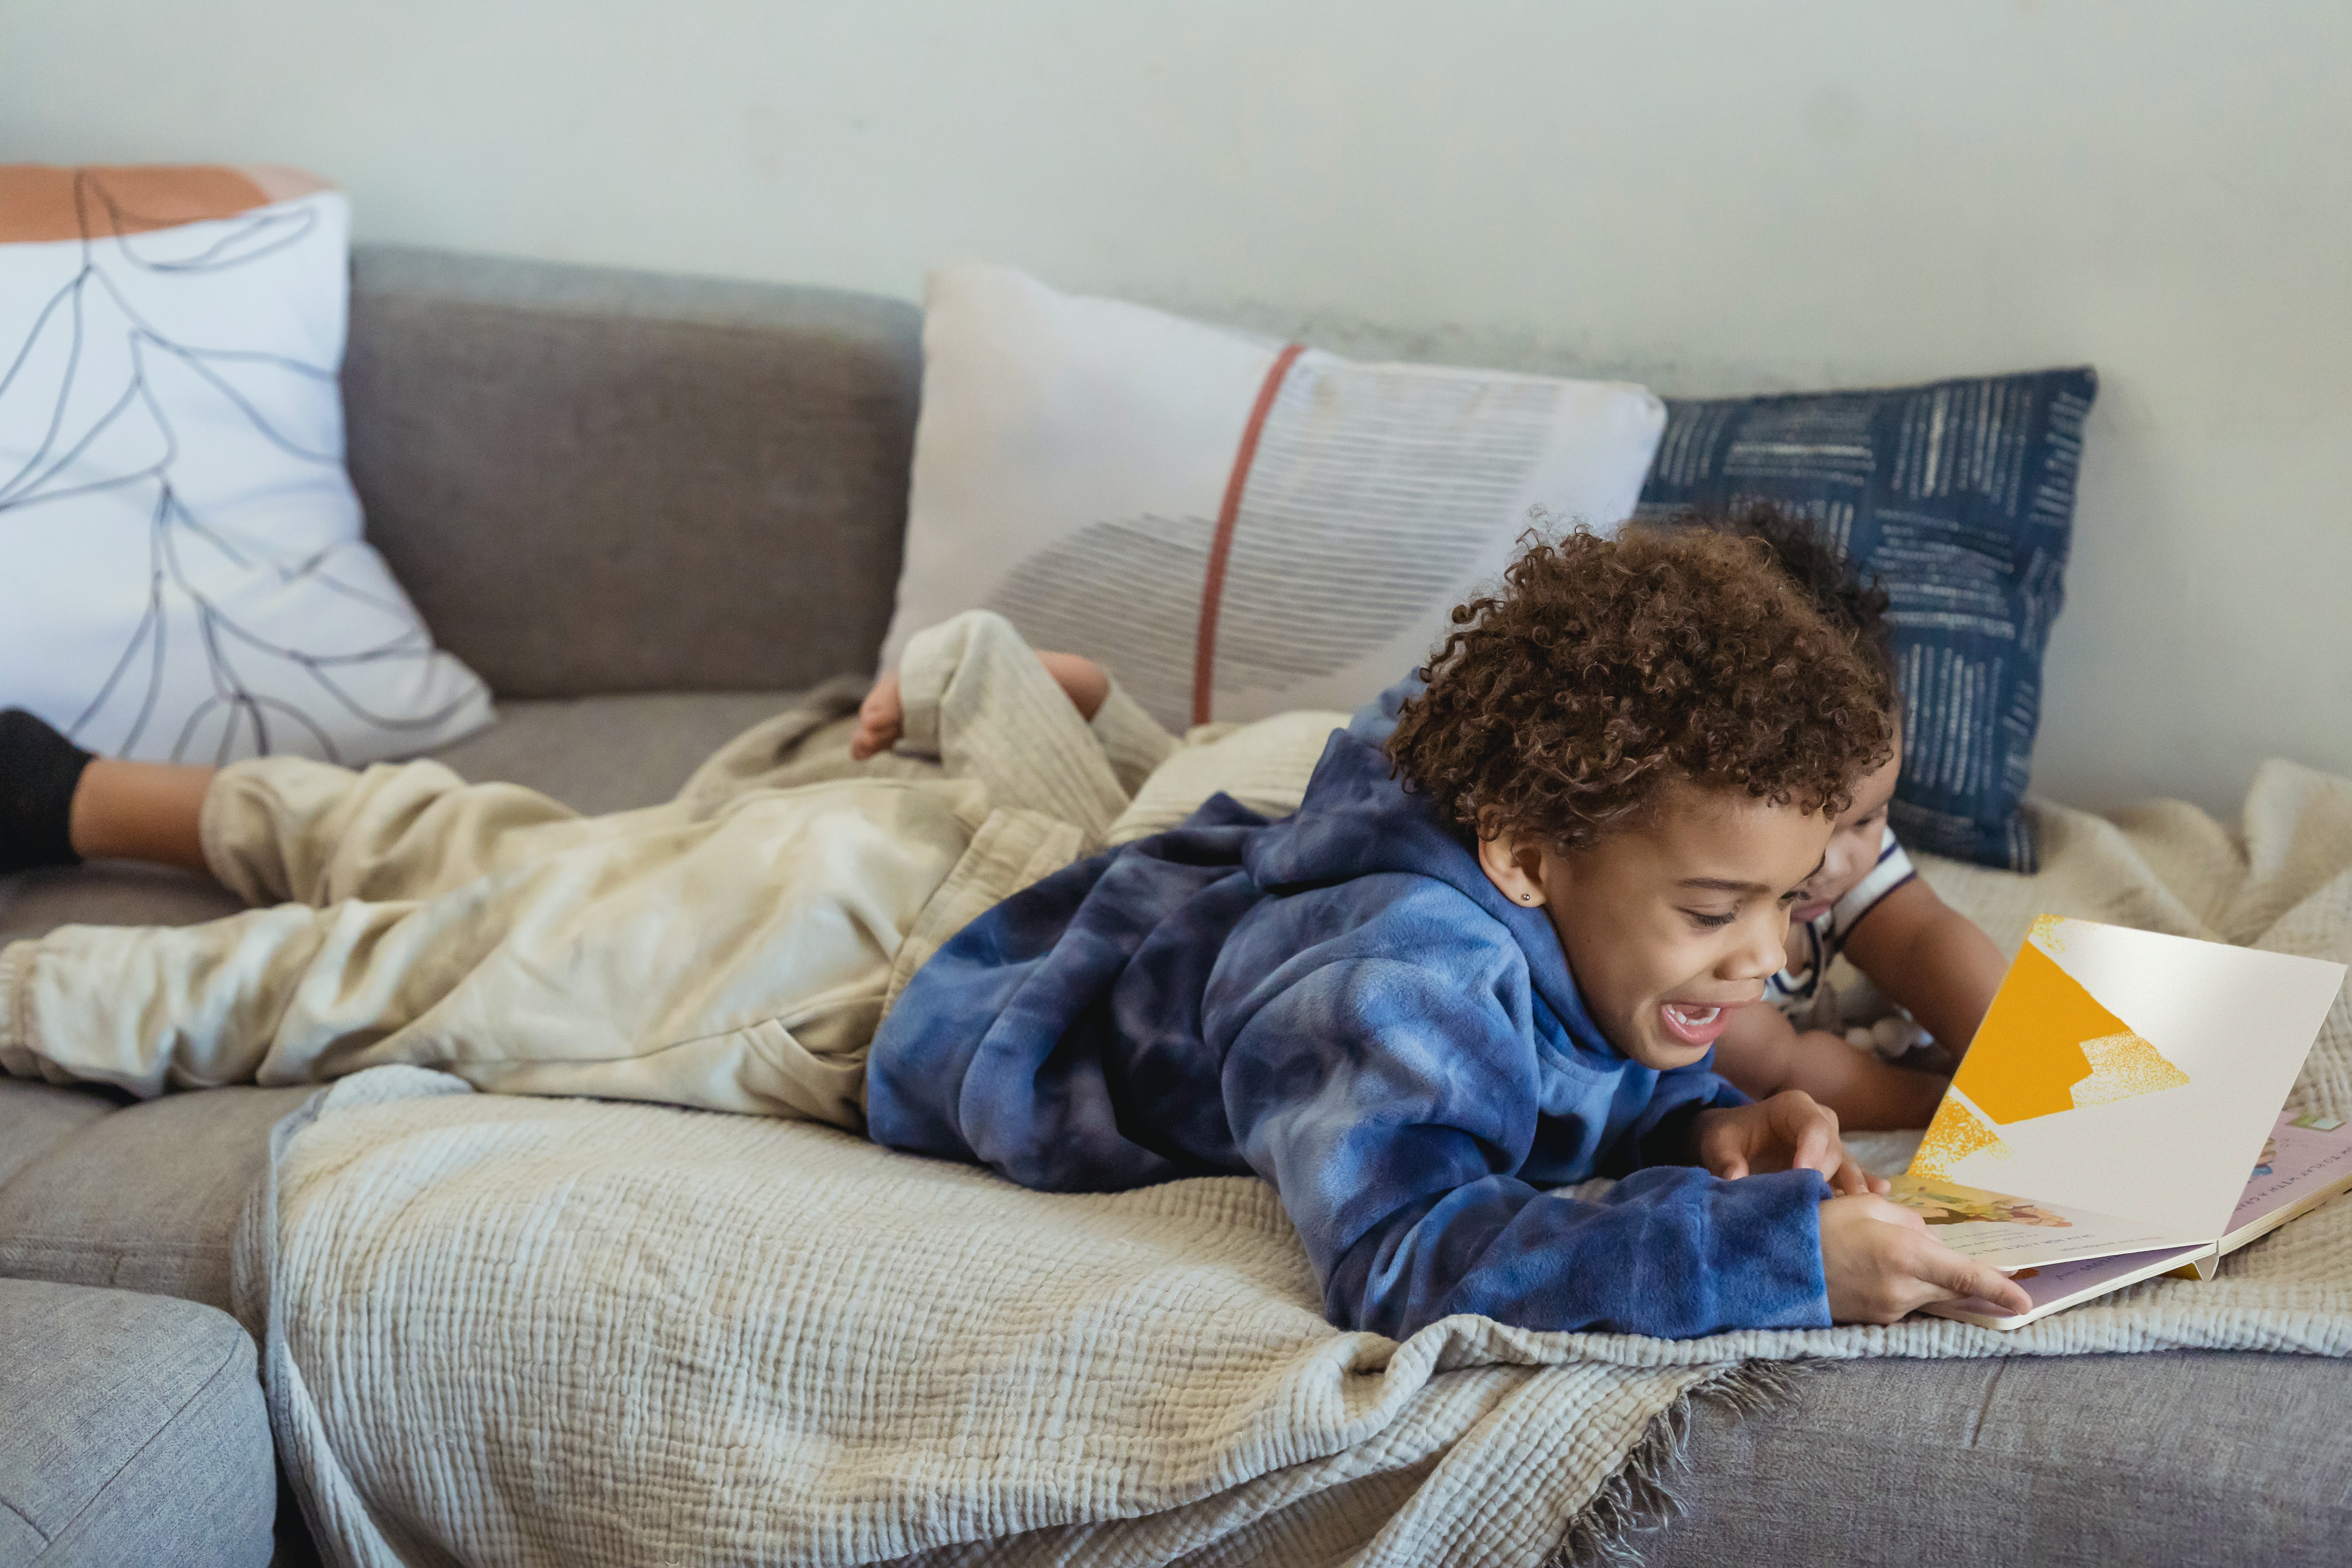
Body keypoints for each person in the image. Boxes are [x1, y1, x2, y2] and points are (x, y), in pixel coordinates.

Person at [865, 526, 2032, 1338]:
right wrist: (1776, 1263)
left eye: (1786, 905)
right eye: (1719, 912)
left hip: (1206, 905)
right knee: (774, 886)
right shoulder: (1402, 987)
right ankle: (981, 689)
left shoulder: (1600, 905)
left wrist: (1710, 1131)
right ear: (1527, 856)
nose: (1772, 959)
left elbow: (1579, 1080)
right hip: (961, 980)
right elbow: (1407, 1257)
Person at [1688, 505, 2011, 1129]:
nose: (1836, 865)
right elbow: (1785, 1068)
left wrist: (2017, 1059)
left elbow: (1923, 940)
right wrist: (1949, 1105)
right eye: (1811, 832)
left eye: (1867, 821)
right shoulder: (1699, 924)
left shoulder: (1842, 859)